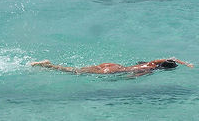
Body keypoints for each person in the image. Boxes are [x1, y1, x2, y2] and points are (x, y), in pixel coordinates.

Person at [31, 57, 193, 77]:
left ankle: (50, 65)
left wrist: (186, 63)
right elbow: (133, 76)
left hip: (112, 64)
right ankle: (49, 66)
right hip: (115, 70)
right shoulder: (150, 69)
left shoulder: (153, 62)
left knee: (81, 68)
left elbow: (172, 58)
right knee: (77, 72)